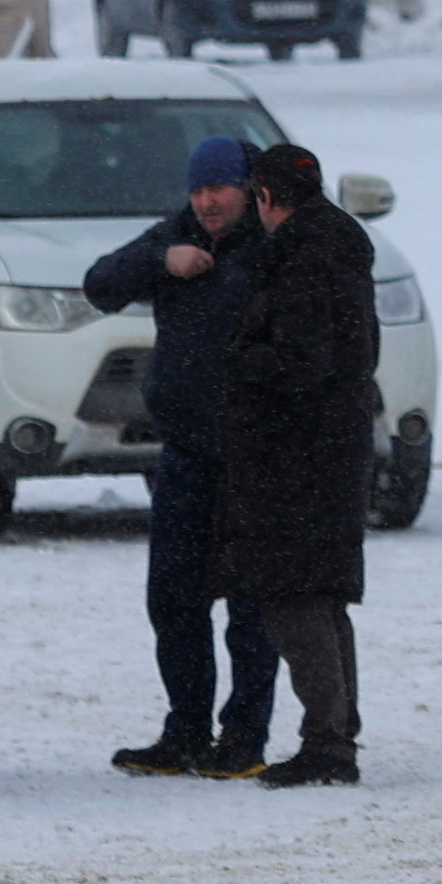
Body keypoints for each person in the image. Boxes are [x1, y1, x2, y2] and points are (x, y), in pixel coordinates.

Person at [83, 134, 285, 776]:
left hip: (255, 457)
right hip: (185, 453)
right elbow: (99, 285)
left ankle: (244, 738)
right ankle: (185, 731)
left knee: (251, 607)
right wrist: (160, 263)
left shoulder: (276, 246)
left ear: (249, 190)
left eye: (218, 189)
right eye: (197, 190)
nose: (206, 202)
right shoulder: (174, 235)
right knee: (173, 600)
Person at [213, 141, 381, 788]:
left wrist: (237, 363)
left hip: (295, 458)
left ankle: (328, 741)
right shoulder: (338, 248)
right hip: (329, 450)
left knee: (293, 595)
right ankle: (335, 733)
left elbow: (300, 363)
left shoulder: (302, 260)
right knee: (322, 595)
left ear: (264, 197)